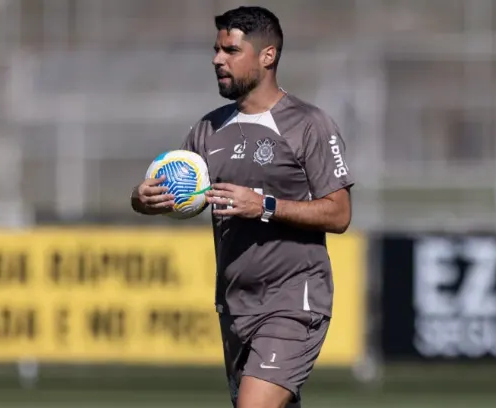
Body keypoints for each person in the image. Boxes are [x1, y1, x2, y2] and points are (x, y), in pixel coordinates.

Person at [130, 5, 355, 408]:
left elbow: (339, 213)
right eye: (217, 50)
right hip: (235, 306)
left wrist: (264, 206)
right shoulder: (208, 129)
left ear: (267, 56)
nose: (218, 59)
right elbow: (167, 191)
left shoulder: (308, 125)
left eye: (231, 51)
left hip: (293, 301)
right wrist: (144, 199)